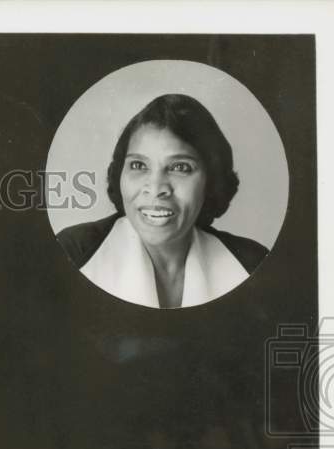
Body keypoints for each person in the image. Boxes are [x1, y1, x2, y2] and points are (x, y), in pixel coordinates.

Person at [58, 94, 268, 308]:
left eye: (180, 167)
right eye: (139, 165)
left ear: (211, 180)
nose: (157, 188)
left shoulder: (252, 263)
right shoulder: (74, 252)